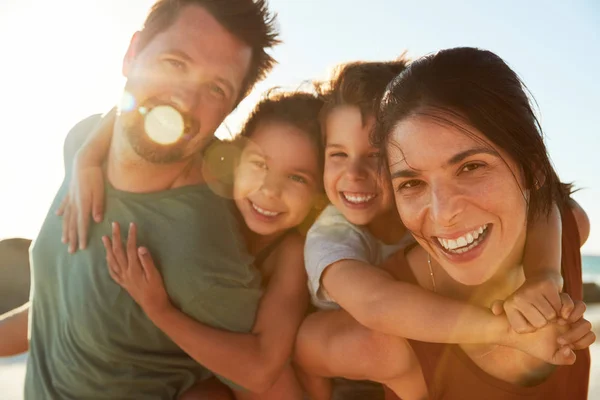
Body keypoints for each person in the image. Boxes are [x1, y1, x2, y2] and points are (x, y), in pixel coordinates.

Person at [0, 0, 280, 398]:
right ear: (132, 54)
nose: (184, 101)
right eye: (175, 63)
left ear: (228, 111)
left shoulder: (198, 245)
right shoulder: (83, 141)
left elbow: (264, 381)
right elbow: (56, 308)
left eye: (216, 89)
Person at [294, 57, 594, 400]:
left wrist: (545, 275)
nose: (443, 213)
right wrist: (507, 330)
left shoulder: (566, 229)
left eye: (470, 167)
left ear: (532, 167)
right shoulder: (386, 324)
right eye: (412, 183)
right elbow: (356, 315)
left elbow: (551, 203)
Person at [66, 91, 324, 399]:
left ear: (319, 191)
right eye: (259, 164)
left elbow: (263, 372)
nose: (269, 190)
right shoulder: (202, 187)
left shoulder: (291, 252)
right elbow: (137, 107)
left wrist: (159, 310)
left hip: (243, 377)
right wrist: (87, 159)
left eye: (297, 178)